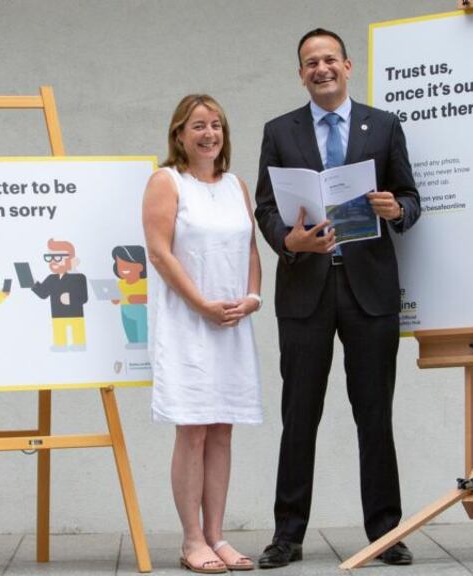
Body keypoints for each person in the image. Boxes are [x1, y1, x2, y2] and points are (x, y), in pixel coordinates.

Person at [253, 29, 420, 568]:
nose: (320, 68)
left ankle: (385, 532)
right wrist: (287, 241)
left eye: (329, 59)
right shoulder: (279, 131)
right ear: (300, 73)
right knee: (299, 415)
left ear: (348, 66)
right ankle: (288, 534)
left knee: (375, 415)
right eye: (309, 63)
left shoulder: (384, 126)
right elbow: (265, 208)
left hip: (368, 291)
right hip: (306, 289)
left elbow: (412, 198)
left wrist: (397, 211)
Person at [143, 94, 263, 573]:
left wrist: (253, 297)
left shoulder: (236, 185)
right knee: (192, 428)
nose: (208, 133)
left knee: (222, 428)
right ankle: (191, 539)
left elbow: (251, 249)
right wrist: (200, 304)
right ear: (179, 134)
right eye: (198, 125)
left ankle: (217, 535)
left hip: (231, 322)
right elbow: (159, 253)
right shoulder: (166, 181)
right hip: (187, 323)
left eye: (216, 125)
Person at [30, 238, 88, 351]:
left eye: (58, 257)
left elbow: (84, 298)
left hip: (75, 314)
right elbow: (43, 294)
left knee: (77, 332)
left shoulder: (79, 278)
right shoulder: (51, 278)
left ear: (72, 259)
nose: (53, 261)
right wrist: (33, 283)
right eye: (50, 258)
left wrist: (71, 299)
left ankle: (79, 344)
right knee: (59, 331)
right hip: (58, 313)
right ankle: (60, 345)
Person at [109, 245, 149, 349]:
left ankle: (142, 348)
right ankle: (133, 348)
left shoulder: (144, 283)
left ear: (140, 266)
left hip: (140, 311)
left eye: (126, 264)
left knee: (142, 334)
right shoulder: (121, 284)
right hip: (124, 311)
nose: (122, 268)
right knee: (130, 334)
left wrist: (138, 298)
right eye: (119, 265)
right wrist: (114, 298)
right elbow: (115, 301)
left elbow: (150, 298)